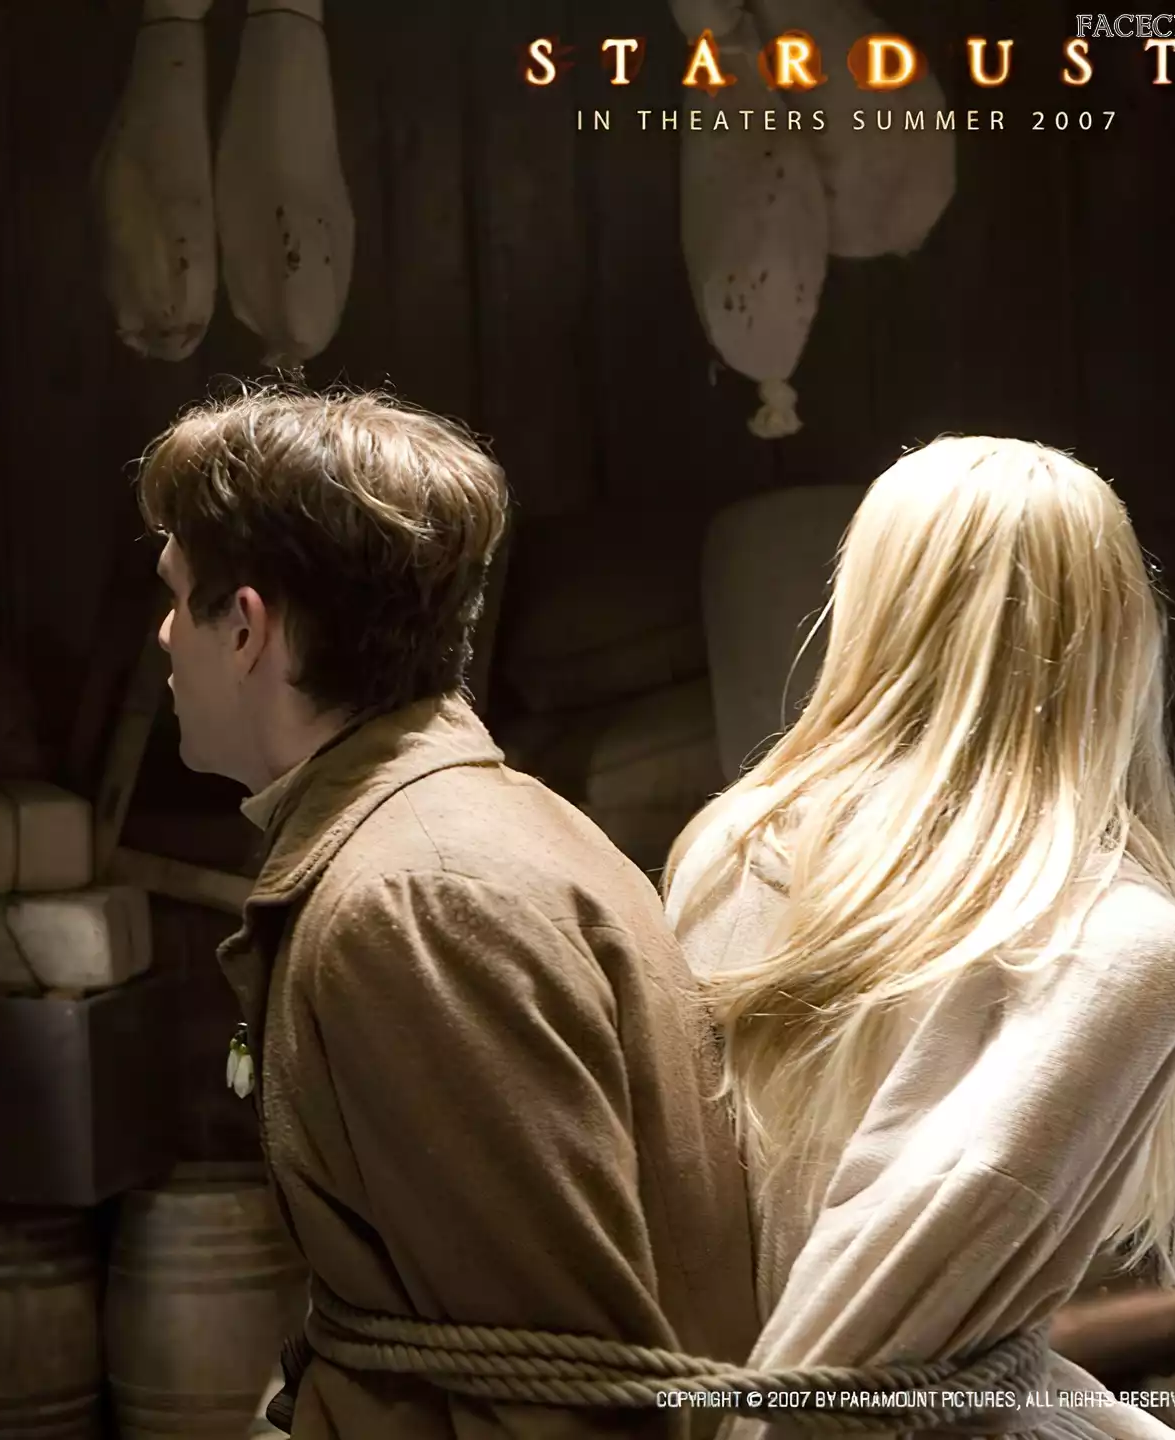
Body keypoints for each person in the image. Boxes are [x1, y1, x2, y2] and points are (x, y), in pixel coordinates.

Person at [137, 385, 761, 1439]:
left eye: (172, 593)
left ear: (244, 628)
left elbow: (566, 1397)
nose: (161, 635)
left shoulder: (418, 901)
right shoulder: (444, 835)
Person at [662, 437, 1175, 1439]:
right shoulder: (1120, 945)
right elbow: (855, 1354)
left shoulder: (730, 845)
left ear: (870, 603)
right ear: (1121, 629)